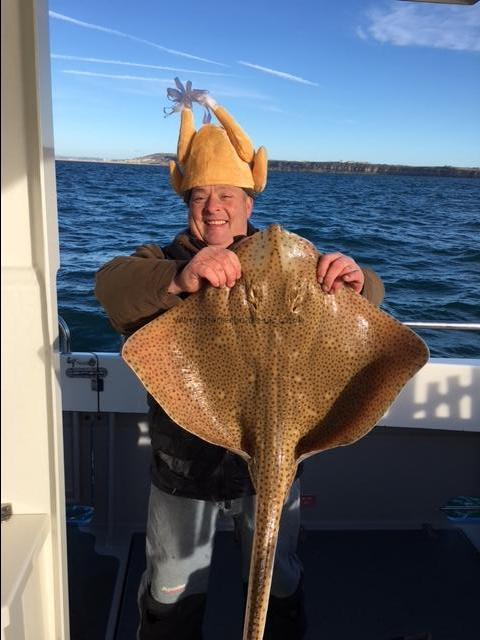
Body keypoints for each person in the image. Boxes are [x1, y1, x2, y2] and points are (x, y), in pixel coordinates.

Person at [95, 80, 384, 640]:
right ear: (187, 206)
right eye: (201, 198)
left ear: (250, 202)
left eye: (227, 195)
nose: (214, 208)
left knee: (279, 577)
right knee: (171, 587)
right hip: (185, 465)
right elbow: (110, 287)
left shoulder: (297, 267)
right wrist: (179, 277)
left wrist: (360, 281)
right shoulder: (163, 261)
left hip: (278, 458)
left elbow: (365, 310)